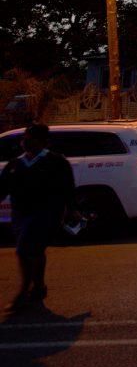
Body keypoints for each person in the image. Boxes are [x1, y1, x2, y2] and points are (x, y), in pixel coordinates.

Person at [0, 124, 75, 313]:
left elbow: (68, 188)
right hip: (20, 215)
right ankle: (39, 286)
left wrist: (72, 209)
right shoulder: (15, 165)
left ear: (43, 142)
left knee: (24, 250)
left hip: (46, 213)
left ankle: (23, 291)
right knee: (36, 250)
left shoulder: (56, 162)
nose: (26, 142)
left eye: (31, 138)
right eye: (25, 137)